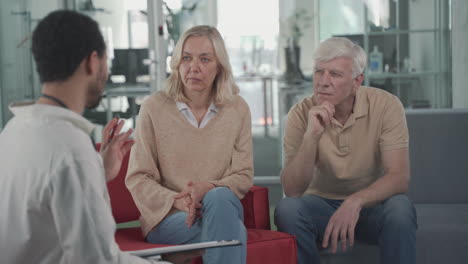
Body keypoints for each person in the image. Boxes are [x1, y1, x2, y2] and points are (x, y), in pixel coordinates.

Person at [0, 10, 168, 264]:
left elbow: (42, 207)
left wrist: (99, 170)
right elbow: (98, 259)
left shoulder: (14, 131)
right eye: (105, 59)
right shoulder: (71, 150)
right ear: (92, 62)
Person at [274, 37, 417, 264]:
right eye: (319, 72)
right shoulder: (299, 114)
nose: (323, 81)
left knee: (400, 208)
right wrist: (311, 136)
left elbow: (399, 177)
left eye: (335, 74)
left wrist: (355, 201)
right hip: (320, 207)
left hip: (369, 207)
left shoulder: (387, 105)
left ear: (357, 81)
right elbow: (292, 189)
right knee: (287, 209)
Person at [126, 25, 253, 264]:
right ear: (177, 63)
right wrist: (178, 200)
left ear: (219, 66)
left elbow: (243, 175)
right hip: (169, 217)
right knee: (234, 231)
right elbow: (138, 178)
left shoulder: (238, 109)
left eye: (205, 59)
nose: (193, 67)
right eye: (186, 58)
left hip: (220, 208)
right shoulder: (154, 108)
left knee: (218, 198)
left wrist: (208, 188)